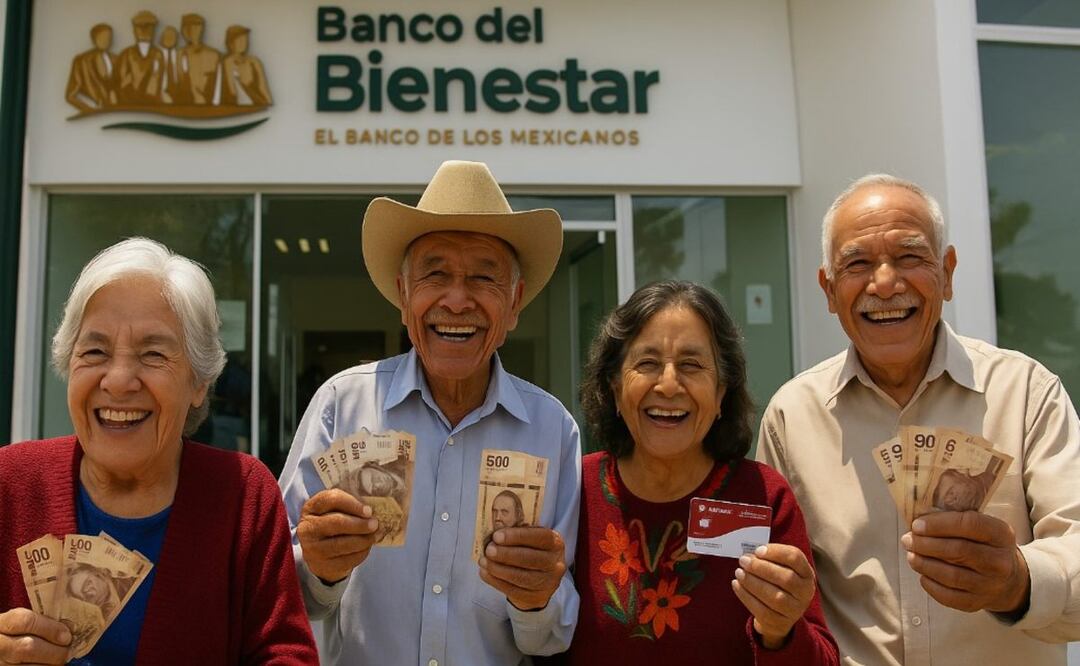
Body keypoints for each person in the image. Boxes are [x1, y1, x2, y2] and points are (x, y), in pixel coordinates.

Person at [757, 173, 1080, 665]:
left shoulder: (1027, 393)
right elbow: (782, 600)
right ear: (828, 289)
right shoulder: (791, 416)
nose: (884, 283)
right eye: (857, 264)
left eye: (910, 257)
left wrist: (1017, 580)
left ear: (947, 273)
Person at [278, 160, 581, 665]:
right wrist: (320, 569)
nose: (456, 300)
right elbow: (284, 600)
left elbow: (552, 637)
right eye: (435, 274)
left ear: (515, 303)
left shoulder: (553, 431)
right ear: (403, 295)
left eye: (484, 277)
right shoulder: (341, 406)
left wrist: (537, 599)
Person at [0, 238, 318, 664]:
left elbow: (286, 654)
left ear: (199, 382)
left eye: (152, 354)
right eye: (94, 351)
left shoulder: (243, 494)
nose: (118, 380)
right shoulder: (10, 481)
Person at [557, 280, 838, 664]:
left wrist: (780, 630)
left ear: (722, 393)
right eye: (647, 363)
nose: (669, 384)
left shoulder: (763, 495)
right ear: (615, 387)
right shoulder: (573, 487)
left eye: (691, 365)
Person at [115, 11, 166, 105]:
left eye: (148, 27)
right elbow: (121, 81)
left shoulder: (158, 54)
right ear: (134, 31)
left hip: (153, 103)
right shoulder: (126, 54)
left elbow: (159, 78)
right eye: (140, 27)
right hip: (130, 102)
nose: (144, 31)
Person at [65, 24, 117, 113]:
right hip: (94, 113)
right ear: (93, 39)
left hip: (117, 111)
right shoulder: (81, 61)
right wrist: (88, 109)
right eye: (102, 37)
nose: (106, 40)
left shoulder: (117, 59)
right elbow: (70, 95)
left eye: (109, 37)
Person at [218, 26, 272, 107]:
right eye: (239, 40)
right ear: (231, 43)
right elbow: (232, 91)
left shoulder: (254, 61)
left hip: (255, 102)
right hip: (236, 105)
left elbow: (263, 87)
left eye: (245, 39)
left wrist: (269, 103)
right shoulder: (227, 62)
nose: (243, 43)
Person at [177, 13, 219, 105]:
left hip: (209, 102)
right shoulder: (179, 54)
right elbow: (179, 80)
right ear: (184, 31)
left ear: (201, 29)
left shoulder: (213, 54)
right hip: (186, 102)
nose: (193, 31)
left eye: (196, 27)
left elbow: (218, 82)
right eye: (189, 28)